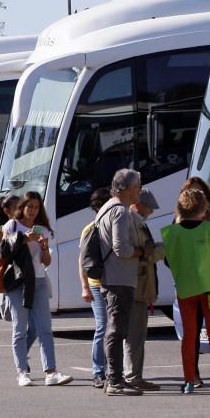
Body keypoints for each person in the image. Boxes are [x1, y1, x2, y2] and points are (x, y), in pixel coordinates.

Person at [162, 188, 210, 393]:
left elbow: (168, 262)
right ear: (203, 207)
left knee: (189, 335)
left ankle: (188, 381)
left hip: (186, 287)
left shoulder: (172, 232)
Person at [0, 191, 73, 387]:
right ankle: (22, 372)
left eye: (37, 207)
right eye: (29, 206)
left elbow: (46, 262)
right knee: (19, 329)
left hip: (38, 280)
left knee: (45, 329)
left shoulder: (44, 230)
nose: (33, 211)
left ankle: (51, 371)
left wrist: (44, 245)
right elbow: (3, 253)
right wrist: (24, 238)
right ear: (22, 207)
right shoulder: (12, 226)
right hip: (17, 281)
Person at [96, 169, 151, 396]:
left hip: (113, 278)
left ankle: (116, 379)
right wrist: (142, 251)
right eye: (138, 186)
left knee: (116, 330)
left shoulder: (107, 208)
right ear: (128, 189)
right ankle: (115, 381)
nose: (140, 190)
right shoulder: (119, 211)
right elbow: (121, 249)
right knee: (116, 331)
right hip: (118, 279)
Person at [124, 188, 166, 390]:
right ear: (139, 204)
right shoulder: (132, 221)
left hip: (139, 284)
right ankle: (133, 376)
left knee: (136, 334)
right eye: (149, 208)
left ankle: (134, 375)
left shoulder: (135, 220)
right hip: (137, 285)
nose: (151, 212)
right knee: (135, 334)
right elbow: (142, 253)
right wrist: (162, 250)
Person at [79, 188, 112, 388]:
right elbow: (82, 261)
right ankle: (98, 371)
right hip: (97, 285)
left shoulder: (114, 224)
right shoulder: (90, 229)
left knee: (114, 328)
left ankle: (113, 370)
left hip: (114, 283)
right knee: (103, 326)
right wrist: (85, 286)